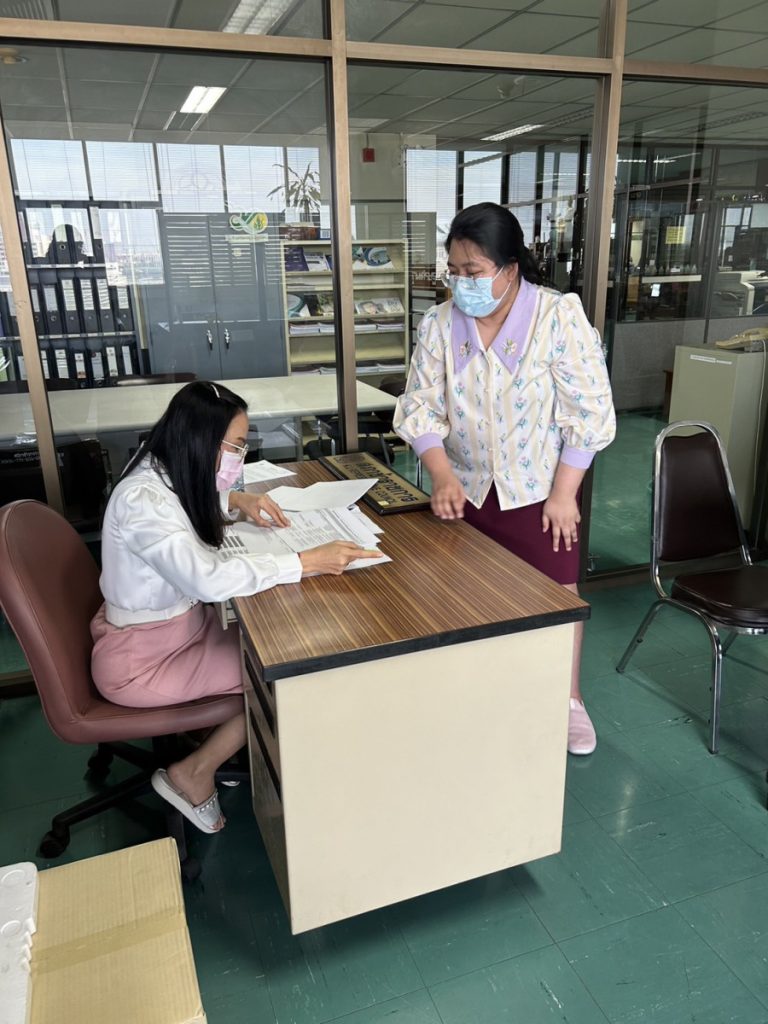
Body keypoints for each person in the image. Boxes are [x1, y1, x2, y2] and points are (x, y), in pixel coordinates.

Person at [91, 380, 379, 833]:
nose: (239, 457)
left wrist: (234, 500)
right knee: (288, 675)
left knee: (275, 644)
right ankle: (194, 771)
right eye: (237, 445)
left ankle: (224, 742)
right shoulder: (141, 502)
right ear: (202, 441)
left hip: (172, 633)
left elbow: (181, 501)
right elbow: (205, 578)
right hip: (144, 661)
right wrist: (304, 562)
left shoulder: (157, 467)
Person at [393, 202, 616, 755]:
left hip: (541, 491)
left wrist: (564, 494)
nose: (461, 283)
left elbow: (589, 411)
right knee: (469, 594)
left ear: (511, 268)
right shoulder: (440, 324)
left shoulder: (557, 317)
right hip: (464, 489)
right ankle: (485, 693)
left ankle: (567, 699)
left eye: (474, 271)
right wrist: (440, 474)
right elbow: (420, 407)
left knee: (557, 595)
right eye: (454, 271)